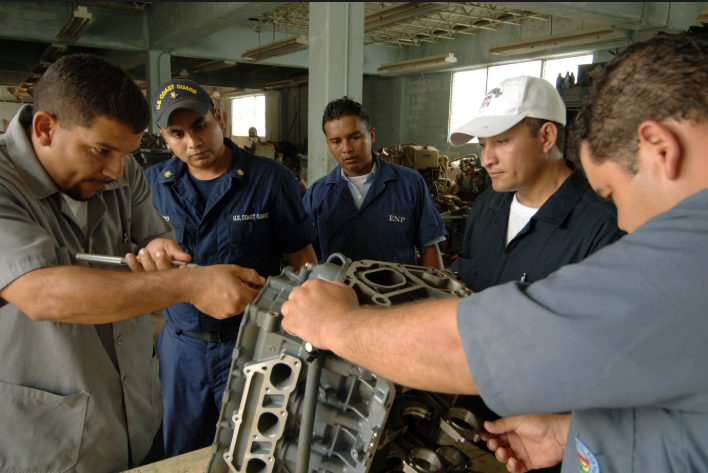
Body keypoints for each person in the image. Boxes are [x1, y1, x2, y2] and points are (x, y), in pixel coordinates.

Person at [280, 32, 708, 473]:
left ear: (661, 148)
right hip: (507, 428)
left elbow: (467, 346)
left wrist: (338, 324)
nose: (624, 220)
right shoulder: (488, 207)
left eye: (614, 191)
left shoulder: (677, 260)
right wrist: (569, 434)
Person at [0, 55, 264, 473]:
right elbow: (39, 292)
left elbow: (157, 235)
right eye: (101, 150)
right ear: (45, 129)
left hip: (135, 418)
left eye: (127, 153)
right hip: (46, 437)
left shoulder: (121, 172)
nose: (116, 170)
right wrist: (189, 285)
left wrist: (162, 248)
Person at [144, 79, 317, 458]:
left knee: (256, 447)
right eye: (178, 133)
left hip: (252, 343)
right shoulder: (152, 186)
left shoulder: (271, 179)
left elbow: (302, 259)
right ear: (164, 138)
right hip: (181, 348)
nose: (193, 142)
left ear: (218, 117)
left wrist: (311, 330)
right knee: (181, 449)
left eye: (200, 126)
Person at [449, 76, 624, 292]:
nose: (486, 160)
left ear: (546, 137)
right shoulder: (486, 206)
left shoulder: (603, 229)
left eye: (501, 142)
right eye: (483, 145)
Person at [303, 97, 447, 268]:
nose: (346, 148)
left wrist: (435, 294)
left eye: (355, 137)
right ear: (328, 143)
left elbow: (429, 247)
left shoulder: (410, 184)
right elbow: (305, 253)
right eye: (336, 141)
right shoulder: (317, 194)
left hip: (395, 293)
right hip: (339, 292)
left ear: (371, 135)